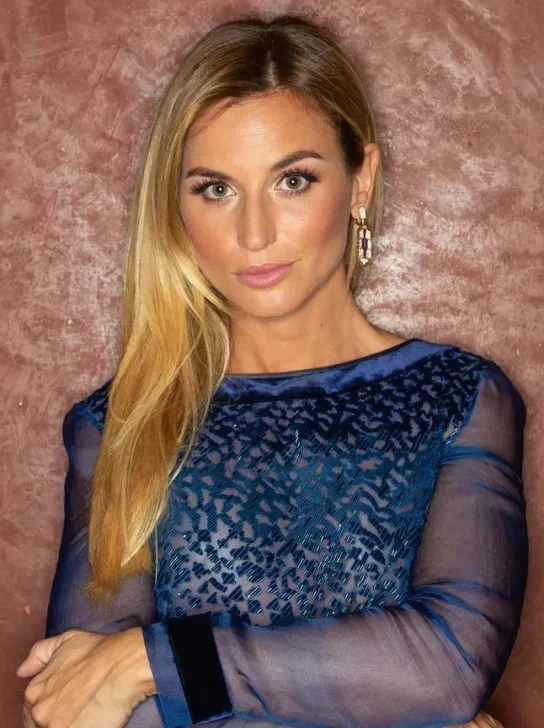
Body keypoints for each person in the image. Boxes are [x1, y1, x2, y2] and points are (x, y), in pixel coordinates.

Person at [15, 14, 526, 728]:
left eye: (292, 180)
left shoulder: (458, 398)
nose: (253, 233)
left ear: (360, 181)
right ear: (175, 207)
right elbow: (88, 710)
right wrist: (385, 698)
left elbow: (448, 665)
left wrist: (149, 662)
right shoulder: (120, 427)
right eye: (215, 189)